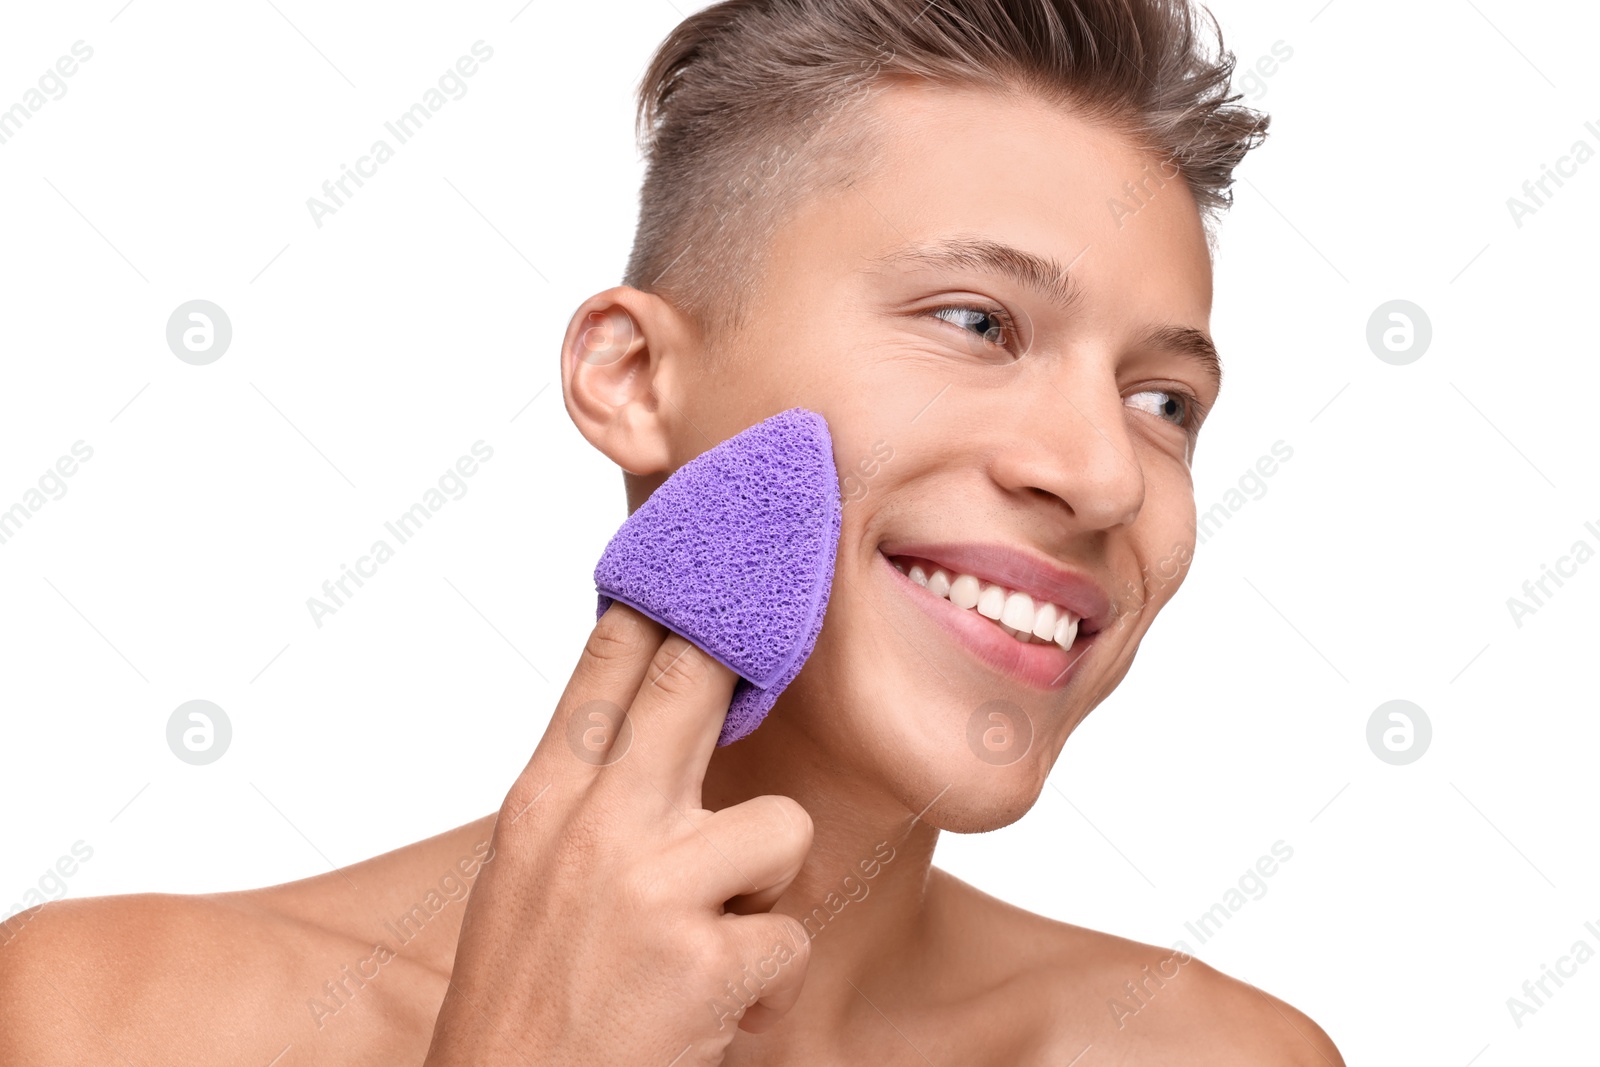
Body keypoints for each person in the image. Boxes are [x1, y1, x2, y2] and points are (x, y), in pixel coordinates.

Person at [0, 0, 1346, 1062]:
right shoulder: (104, 1025)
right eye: (976, 321)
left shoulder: (1224, 1057)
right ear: (634, 380)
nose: (1106, 475)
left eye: (1165, 399)